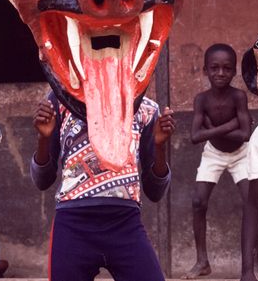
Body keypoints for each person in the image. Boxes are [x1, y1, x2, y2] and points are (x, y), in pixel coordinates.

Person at [32, 92, 175, 281]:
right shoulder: (60, 99)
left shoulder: (145, 107)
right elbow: (43, 180)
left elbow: (155, 192)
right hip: (73, 226)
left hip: (125, 224)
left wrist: (160, 146)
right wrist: (43, 139)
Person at [185, 44, 255, 278]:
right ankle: (202, 261)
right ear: (205, 70)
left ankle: (252, 261)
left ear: (234, 71)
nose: (220, 73)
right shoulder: (201, 100)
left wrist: (211, 128)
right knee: (198, 202)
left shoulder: (238, 97)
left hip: (241, 154)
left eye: (226, 68)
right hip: (213, 153)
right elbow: (195, 137)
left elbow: (245, 135)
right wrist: (232, 124)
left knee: (251, 203)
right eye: (214, 68)